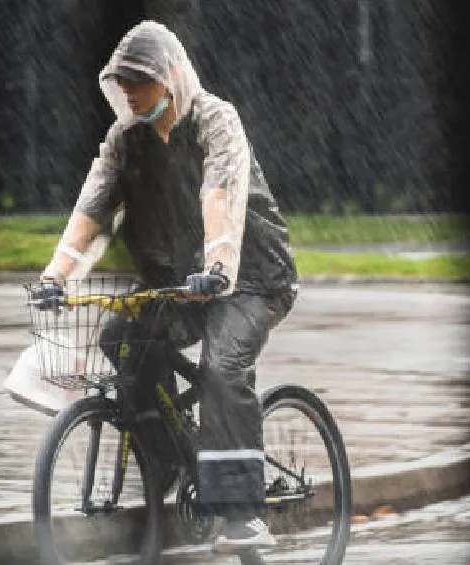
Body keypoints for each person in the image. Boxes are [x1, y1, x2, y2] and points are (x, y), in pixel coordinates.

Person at [36, 20, 298, 549]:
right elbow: (93, 207)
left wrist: (219, 264)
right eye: (122, 82)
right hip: (182, 282)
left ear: (171, 77)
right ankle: (172, 455)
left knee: (222, 367)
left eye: (139, 80)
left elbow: (220, 192)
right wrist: (56, 276)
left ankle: (243, 513)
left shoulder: (215, 121)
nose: (129, 91)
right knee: (121, 339)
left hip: (252, 278)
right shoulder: (127, 139)